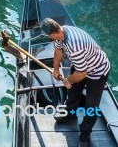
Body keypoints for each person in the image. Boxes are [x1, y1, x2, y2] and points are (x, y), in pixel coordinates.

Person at [40, 18, 110, 147]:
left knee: (91, 106)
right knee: (73, 91)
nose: (49, 38)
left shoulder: (75, 46)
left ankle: (85, 134)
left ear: (54, 34)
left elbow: (82, 74)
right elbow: (58, 51)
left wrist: (67, 80)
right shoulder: (62, 32)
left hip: (97, 71)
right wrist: (55, 70)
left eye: (49, 36)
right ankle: (70, 114)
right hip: (82, 66)